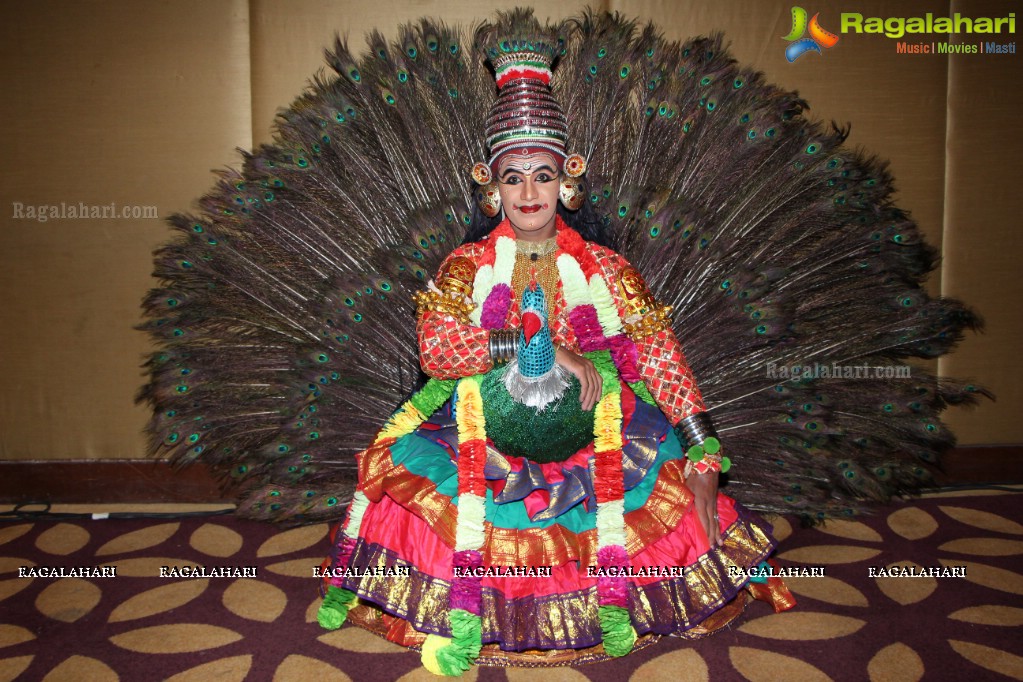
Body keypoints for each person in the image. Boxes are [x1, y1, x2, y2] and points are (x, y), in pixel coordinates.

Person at [316, 35, 792, 674]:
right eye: (514, 177)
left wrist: (704, 445)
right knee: (435, 495)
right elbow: (438, 349)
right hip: (483, 428)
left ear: (568, 180)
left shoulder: (607, 269)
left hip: (603, 428)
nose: (529, 191)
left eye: (544, 174)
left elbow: (656, 351)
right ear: (493, 189)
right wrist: (542, 347)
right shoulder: (464, 267)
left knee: (664, 483)